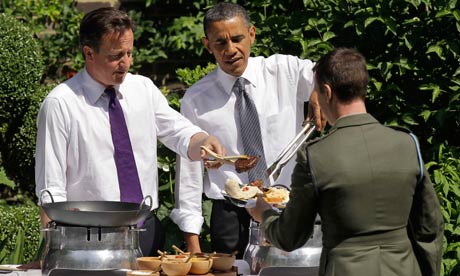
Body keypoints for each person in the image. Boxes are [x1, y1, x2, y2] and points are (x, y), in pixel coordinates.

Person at [34, 7, 226, 257]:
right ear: (89, 53)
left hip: (146, 230)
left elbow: (179, 133)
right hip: (88, 238)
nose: (126, 62)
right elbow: (51, 188)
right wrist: (51, 253)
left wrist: (203, 141)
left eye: (129, 52)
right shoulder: (61, 103)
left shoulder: (143, 89)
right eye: (116, 56)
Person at [247, 48, 444, 276]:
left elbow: (290, 236)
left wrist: (264, 214)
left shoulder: (315, 156)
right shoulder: (408, 144)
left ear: (327, 92)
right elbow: (430, 227)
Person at [170, 2, 324, 257]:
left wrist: (320, 85)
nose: (231, 50)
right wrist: (192, 241)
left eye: (238, 38)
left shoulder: (283, 71)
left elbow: (328, 70)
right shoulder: (196, 100)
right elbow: (189, 174)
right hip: (230, 215)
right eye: (220, 42)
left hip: (286, 207)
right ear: (207, 45)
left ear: (252, 34)